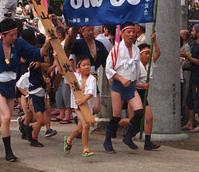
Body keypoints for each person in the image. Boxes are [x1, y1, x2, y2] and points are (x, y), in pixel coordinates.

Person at [0, 17, 45, 162]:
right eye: (11, 35)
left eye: (16, 34)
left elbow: (36, 54)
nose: (14, 37)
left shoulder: (18, 43)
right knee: (6, 117)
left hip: (11, 83)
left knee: (5, 117)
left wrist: (48, 43)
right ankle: (8, 151)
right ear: (3, 34)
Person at [104, 21, 146, 152]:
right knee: (116, 116)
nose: (132, 34)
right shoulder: (116, 49)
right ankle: (107, 140)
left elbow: (138, 67)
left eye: (133, 32)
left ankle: (128, 136)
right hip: (119, 85)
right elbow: (109, 68)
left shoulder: (136, 49)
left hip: (131, 85)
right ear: (122, 33)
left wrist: (141, 82)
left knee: (139, 112)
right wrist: (121, 79)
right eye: (129, 32)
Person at [63, 56, 99, 157]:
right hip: (77, 105)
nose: (87, 67)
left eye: (88, 65)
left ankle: (69, 139)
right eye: (84, 65)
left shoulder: (92, 79)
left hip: (87, 106)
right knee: (86, 126)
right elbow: (63, 72)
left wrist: (83, 100)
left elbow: (91, 93)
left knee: (79, 129)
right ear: (79, 67)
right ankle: (85, 149)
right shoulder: (75, 77)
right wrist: (57, 58)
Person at [180, 24, 199, 133]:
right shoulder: (195, 45)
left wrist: (186, 56)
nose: (191, 33)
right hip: (194, 75)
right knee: (190, 100)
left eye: (193, 31)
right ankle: (190, 123)